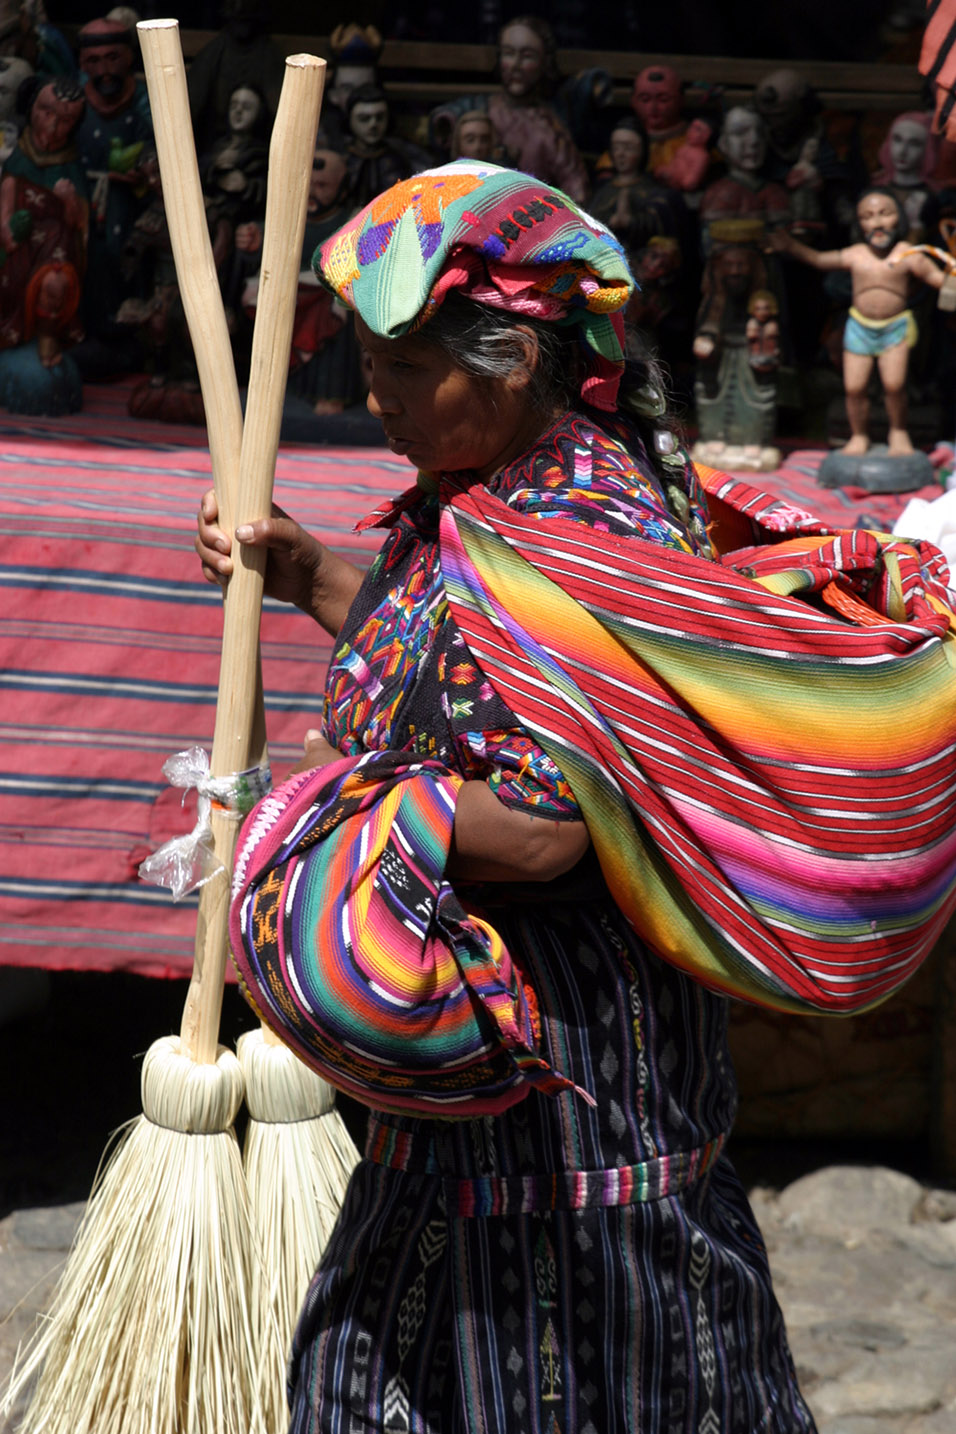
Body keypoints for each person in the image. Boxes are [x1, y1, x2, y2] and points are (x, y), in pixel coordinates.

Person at [197, 161, 818, 1433]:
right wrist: (308, 570)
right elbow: (451, 672)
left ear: (515, 359)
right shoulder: (469, 500)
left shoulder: (584, 524)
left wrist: (311, 834)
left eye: (400, 368)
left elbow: (541, 828)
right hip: (473, 1115)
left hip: (573, 1105)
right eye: (365, 364)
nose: (370, 399)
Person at [771, 185, 948, 455]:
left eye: (884, 213)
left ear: (898, 217)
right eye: (867, 216)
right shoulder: (856, 254)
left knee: (894, 385)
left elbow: (938, 280)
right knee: (854, 387)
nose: (876, 222)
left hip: (894, 328)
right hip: (860, 327)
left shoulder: (908, 254)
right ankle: (859, 436)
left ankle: (899, 433)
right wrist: (791, 245)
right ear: (859, 223)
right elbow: (818, 259)